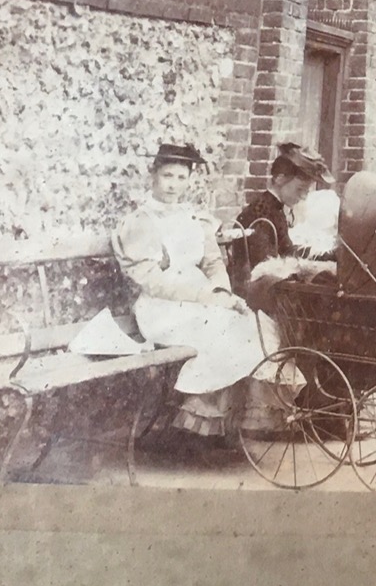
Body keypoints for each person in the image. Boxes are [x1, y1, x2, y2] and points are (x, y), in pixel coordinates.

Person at [111, 141, 272, 448]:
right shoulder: (140, 222)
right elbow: (153, 282)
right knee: (216, 330)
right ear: (153, 176)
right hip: (163, 306)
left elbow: (212, 262)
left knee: (249, 324)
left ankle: (225, 424)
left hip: (202, 298)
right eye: (168, 176)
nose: (174, 185)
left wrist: (223, 292)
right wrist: (207, 296)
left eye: (181, 178)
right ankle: (196, 427)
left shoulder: (193, 217)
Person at [227, 143, 332, 294]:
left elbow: (286, 250)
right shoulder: (259, 214)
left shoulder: (275, 209)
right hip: (254, 292)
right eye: (300, 189)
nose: (303, 197)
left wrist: (327, 257)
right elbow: (264, 269)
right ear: (280, 179)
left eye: (307, 191)